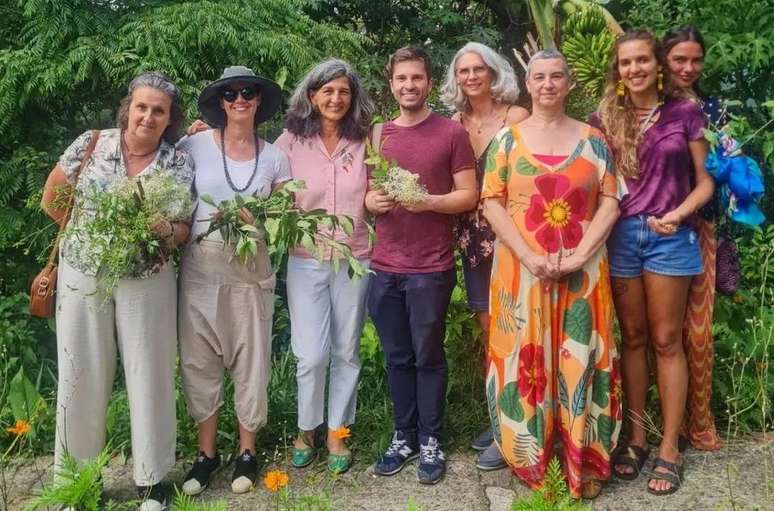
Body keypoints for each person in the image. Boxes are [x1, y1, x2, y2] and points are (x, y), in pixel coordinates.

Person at [41, 72, 194, 511]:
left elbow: (184, 230)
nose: (148, 116)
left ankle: (152, 482)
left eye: (159, 110)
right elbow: (53, 197)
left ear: (169, 119)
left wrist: (164, 229)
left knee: (151, 375)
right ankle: (79, 483)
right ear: (128, 107)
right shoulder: (90, 143)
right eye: (142, 106)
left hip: (148, 281)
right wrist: (92, 238)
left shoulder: (178, 163)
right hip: (83, 276)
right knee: (79, 376)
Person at [482, 49, 623, 500]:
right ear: (527, 83)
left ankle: (586, 459)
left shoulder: (594, 141)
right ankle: (533, 462)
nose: (547, 84)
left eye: (556, 76)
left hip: (583, 271)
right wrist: (528, 256)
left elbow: (610, 200)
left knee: (580, 355)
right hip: (521, 272)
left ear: (569, 84)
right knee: (527, 360)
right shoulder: (507, 141)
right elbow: (491, 202)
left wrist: (582, 253)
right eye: (539, 77)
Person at [593, 29, 714, 495]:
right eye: (626, 63)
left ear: (657, 65)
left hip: (670, 237)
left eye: (642, 60)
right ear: (618, 70)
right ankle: (637, 437)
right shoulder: (605, 116)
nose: (635, 69)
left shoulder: (684, 112)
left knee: (667, 340)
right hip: (621, 236)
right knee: (635, 338)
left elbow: (705, 182)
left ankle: (669, 447)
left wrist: (679, 213)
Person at [365, 45, 477, 485]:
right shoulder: (378, 134)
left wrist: (427, 201)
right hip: (384, 264)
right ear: (391, 83)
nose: (408, 86)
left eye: (416, 78)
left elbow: (468, 195)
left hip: (430, 266)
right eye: (401, 79)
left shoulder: (451, 133)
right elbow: (368, 194)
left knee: (428, 355)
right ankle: (403, 435)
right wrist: (371, 201)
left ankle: (431, 439)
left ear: (429, 83)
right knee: (397, 357)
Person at [177, 66, 289, 496]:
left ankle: (247, 451)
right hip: (201, 271)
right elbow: (165, 177)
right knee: (199, 361)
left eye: (247, 92)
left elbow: (285, 218)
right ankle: (206, 455)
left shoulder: (275, 156)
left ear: (259, 100)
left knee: (250, 359)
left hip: (251, 271)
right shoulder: (194, 144)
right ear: (220, 102)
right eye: (230, 94)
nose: (239, 99)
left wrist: (259, 218)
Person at [273, 59, 374, 474]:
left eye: (344, 92)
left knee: (346, 349)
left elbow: (378, 190)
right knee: (311, 355)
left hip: (356, 257)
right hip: (306, 260)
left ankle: (338, 432)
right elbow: (267, 189)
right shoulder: (288, 143)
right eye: (327, 91)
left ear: (353, 99)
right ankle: (306, 428)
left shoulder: (366, 142)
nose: (336, 99)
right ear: (311, 95)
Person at [440, 41, 529, 471]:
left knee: (518, 327)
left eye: (479, 69)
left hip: (514, 236)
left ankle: (517, 426)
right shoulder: (452, 123)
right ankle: (500, 419)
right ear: (456, 78)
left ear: (494, 72)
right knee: (490, 330)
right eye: (464, 71)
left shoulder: (517, 118)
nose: (471, 76)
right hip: (473, 240)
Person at [662, 25, 722, 452]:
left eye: (695, 59)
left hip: (700, 228)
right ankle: (655, 422)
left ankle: (698, 423)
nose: (688, 67)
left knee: (697, 332)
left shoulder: (714, 109)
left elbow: (721, 173)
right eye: (679, 59)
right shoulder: (652, 104)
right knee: (659, 335)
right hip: (653, 230)